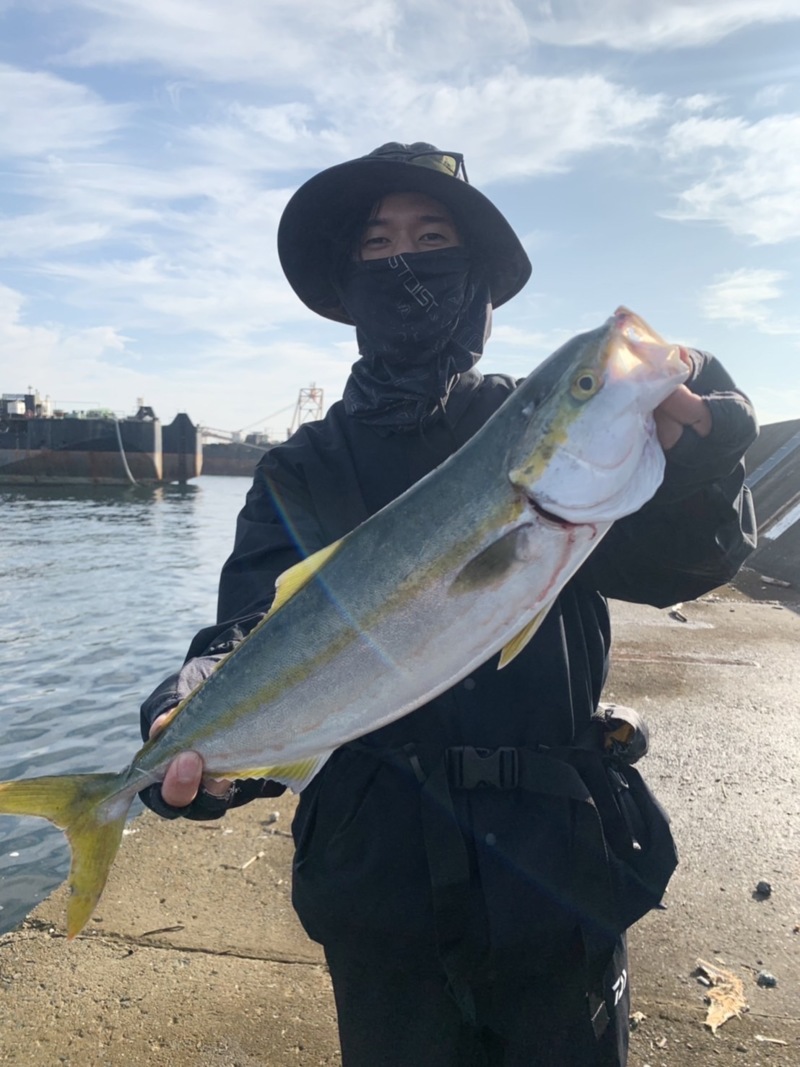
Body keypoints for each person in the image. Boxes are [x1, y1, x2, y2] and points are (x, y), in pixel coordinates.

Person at [139, 143, 758, 1066]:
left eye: (431, 237)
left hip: (559, 869)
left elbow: (683, 563)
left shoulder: (541, 430)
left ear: (476, 278)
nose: (406, 261)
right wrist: (195, 720)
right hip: (380, 886)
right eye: (378, 243)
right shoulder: (301, 468)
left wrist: (700, 460)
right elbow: (249, 629)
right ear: (347, 283)